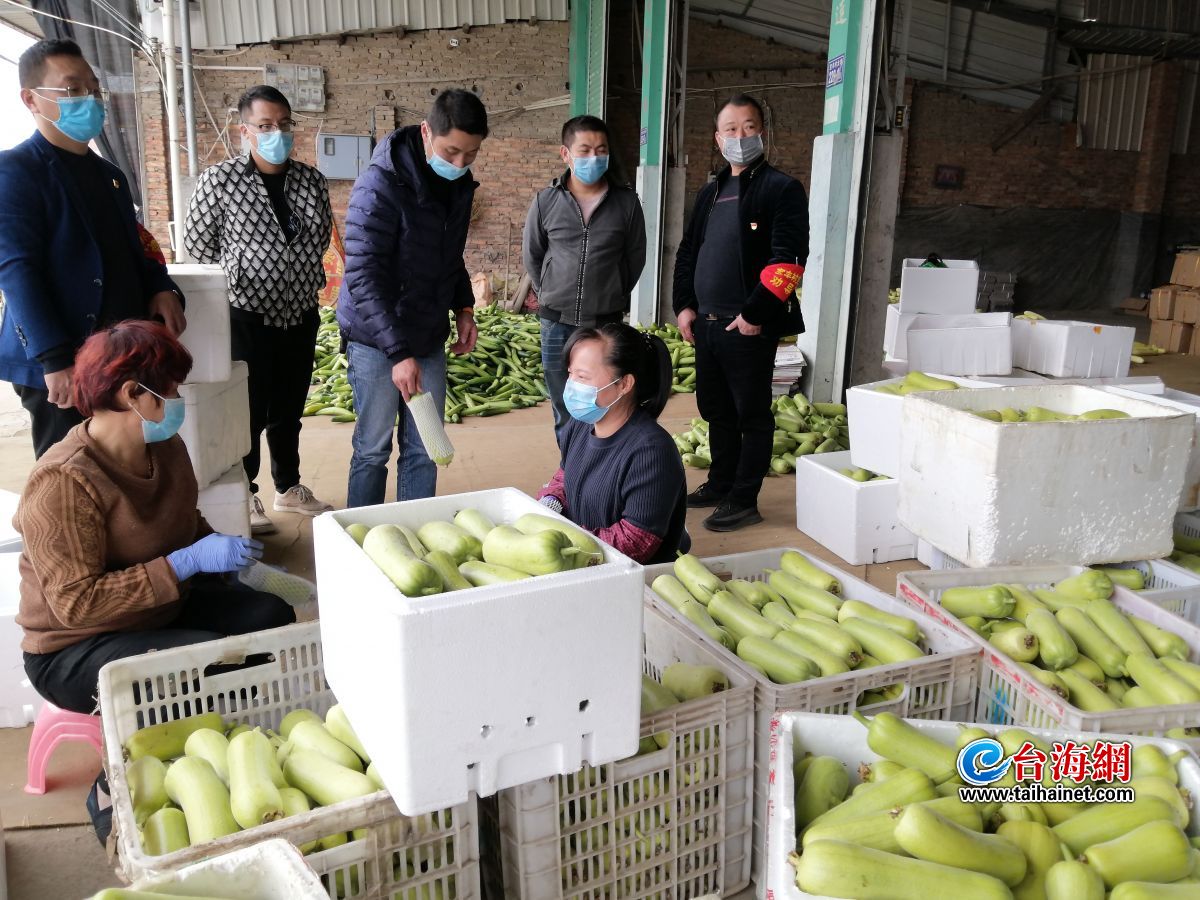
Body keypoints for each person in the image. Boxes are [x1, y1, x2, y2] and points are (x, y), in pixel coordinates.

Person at [15, 320, 296, 716]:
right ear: (132, 394)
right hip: (77, 644)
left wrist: (231, 564)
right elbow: (76, 604)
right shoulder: (64, 480)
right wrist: (186, 562)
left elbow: (183, 521)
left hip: (157, 611)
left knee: (270, 617)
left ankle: (229, 722)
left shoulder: (165, 447)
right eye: (170, 390)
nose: (178, 399)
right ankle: (124, 772)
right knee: (205, 663)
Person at [0, 39, 185, 460]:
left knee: (123, 464)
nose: (89, 99)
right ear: (31, 99)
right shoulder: (15, 171)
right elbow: (16, 269)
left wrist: (161, 286)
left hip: (115, 357)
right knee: (70, 471)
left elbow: (137, 247)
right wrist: (54, 358)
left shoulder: (110, 176)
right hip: (62, 361)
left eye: (94, 89)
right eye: (73, 89)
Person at [184, 85, 334, 535]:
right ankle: (245, 491)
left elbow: (320, 238)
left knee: (289, 408)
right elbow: (196, 247)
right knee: (246, 410)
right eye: (265, 126)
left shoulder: (311, 180)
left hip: (300, 314)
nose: (277, 133)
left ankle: (288, 487)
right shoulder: (221, 180)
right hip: (245, 316)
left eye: (284, 125)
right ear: (244, 131)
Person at [338, 89, 486, 507]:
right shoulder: (381, 182)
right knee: (373, 448)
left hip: (427, 332)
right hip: (375, 338)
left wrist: (464, 307)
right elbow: (362, 274)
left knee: (425, 448)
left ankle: (416, 531)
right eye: (451, 151)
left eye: (471, 155)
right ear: (426, 132)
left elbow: (449, 254)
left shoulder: (458, 186)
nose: (460, 164)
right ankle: (360, 546)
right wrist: (397, 353)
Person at [672, 93, 809, 533]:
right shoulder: (710, 191)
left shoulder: (780, 188)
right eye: (731, 129)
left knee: (751, 415)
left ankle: (743, 498)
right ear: (718, 138)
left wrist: (755, 313)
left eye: (748, 127)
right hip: (708, 323)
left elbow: (789, 260)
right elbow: (689, 251)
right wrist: (684, 306)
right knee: (716, 410)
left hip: (747, 326)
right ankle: (720, 482)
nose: (740, 136)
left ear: (761, 133)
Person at [522, 115, 646, 446]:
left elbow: (635, 259)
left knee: (603, 404)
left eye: (601, 150)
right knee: (565, 407)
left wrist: (614, 294)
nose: (594, 158)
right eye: (585, 150)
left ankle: (599, 474)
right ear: (566, 153)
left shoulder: (626, 203)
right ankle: (570, 476)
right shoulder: (545, 201)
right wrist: (549, 292)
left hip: (603, 326)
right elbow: (533, 255)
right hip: (555, 323)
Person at [536, 323, 688, 565]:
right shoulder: (580, 425)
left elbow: (635, 542)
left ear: (624, 384)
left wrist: (568, 544)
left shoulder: (651, 452)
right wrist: (551, 501)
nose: (571, 385)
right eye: (570, 373)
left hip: (633, 579)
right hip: (580, 566)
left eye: (582, 377)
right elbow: (566, 476)